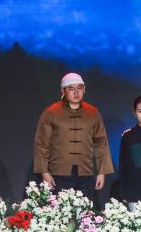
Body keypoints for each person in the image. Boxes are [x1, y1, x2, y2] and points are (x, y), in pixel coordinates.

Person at [32, 72, 114, 203]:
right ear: (63, 90)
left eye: (79, 88)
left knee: (85, 211)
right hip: (58, 173)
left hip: (85, 173)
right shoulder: (51, 112)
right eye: (71, 89)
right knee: (60, 211)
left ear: (84, 89)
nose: (76, 92)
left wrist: (101, 173)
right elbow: (41, 144)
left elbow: (101, 143)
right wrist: (44, 172)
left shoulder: (92, 112)